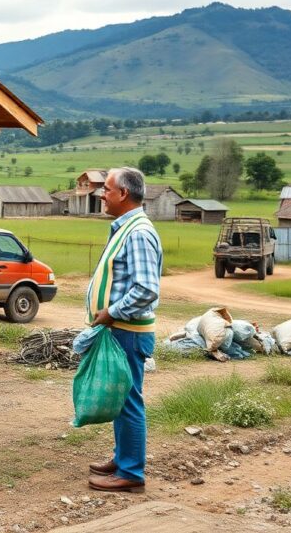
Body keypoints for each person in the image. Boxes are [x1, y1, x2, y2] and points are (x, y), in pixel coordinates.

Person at [85, 167, 162, 493]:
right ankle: (122, 458)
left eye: (106, 189)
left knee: (128, 399)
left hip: (128, 332)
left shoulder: (138, 233)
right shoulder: (126, 228)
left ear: (123, 194)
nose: (101, 195)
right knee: (120, 397)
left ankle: (131, 472)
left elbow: (146, 288)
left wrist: (111, 312)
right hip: (121, 330)